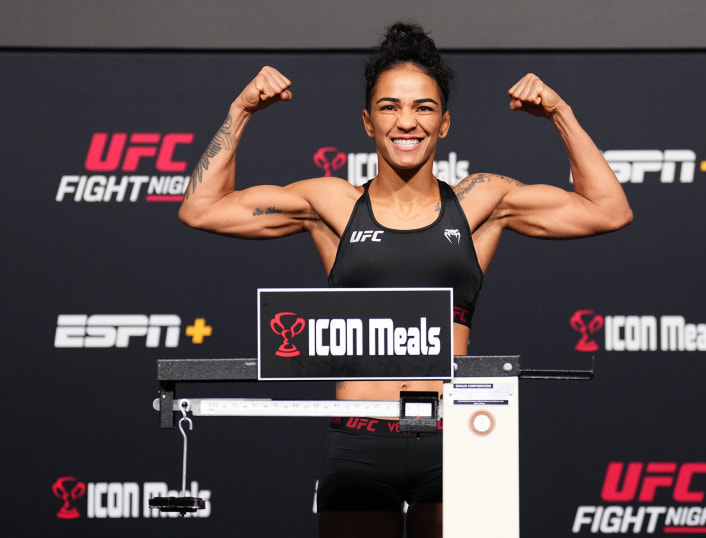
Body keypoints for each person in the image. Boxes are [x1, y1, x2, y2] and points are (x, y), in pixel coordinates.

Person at [179, 21, 632, 538]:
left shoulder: (481, 201)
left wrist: (560, 113)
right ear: (368, 121)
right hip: (359, 440)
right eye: (390, 107)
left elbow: (609, 210)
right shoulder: (331, 203)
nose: (407, 122)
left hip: (457, 434)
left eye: (424, 108)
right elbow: (201, 208)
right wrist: (240, 110)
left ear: (444, 124)